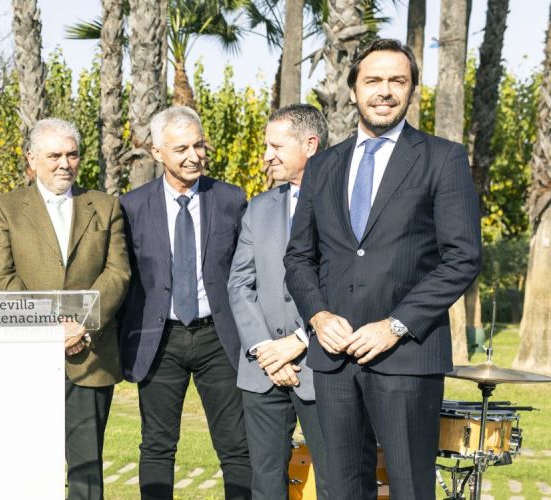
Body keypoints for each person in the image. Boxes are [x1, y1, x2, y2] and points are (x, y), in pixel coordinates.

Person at [284, 38, 482, 499]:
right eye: (373, 80)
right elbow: (298, 257)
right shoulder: (323, 167)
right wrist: (318, 316)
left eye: (398, 80)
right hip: (333, 360)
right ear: (353, 90)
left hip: (407, 357)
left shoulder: (442, 158)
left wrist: (395, 326)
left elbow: (463, 257)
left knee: (411, 488)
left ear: (412, 91)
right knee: (342, 489)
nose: (385, 90)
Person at [0, 118, 130, 500]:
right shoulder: (5, 209)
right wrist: (50, 329)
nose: (65, 163)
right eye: (55, 155)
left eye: (72, 154)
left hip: (90, 357)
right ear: (31, 159)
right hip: (26, 359)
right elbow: (1, 281)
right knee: (30, 473)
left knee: (86, 475)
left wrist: (79, 326)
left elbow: (118, 273)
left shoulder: (105, 206)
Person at [118, 105, 251, 499]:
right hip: (159, 340)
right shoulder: (131, 207)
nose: (194, 156)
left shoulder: (230, 199)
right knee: (157, 446)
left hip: (219, 339)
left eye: (199, 145)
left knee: (236, 446)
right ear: (158, 152)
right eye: (181, 149)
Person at [227, 103, 330, 499]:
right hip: (262, 370)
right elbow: (240, 283)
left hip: (322, 368)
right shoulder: (260, 206)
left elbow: (347, 286)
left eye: (276, 146)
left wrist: (300, 343)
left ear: (310, 144)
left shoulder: (344, 207)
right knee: (265, 483)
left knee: (336, 481)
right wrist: (267, 350)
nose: (267, 155)